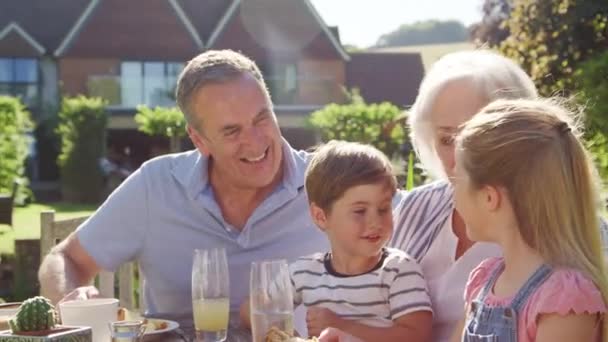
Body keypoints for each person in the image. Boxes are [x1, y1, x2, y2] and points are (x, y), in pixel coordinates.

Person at [37, 50, 329, 337]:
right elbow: (65, 259)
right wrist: (72, 299)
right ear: (199, 139)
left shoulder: (327, 184)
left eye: (261, 118)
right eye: (231, 131)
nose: (254, 142)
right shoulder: (156, 186)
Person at [388, 50, 539, 342]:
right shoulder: (414, 207)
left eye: (475, 136)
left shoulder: (560, 220)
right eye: (447, 139)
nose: (460, 156)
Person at [241, 140, 432, 341]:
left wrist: (342, 326)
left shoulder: (398, 270)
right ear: (321, 217)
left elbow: (418, 336)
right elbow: (250, 310)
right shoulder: (304, 272)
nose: (376, 222)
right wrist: (291, 338)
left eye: (383, 209)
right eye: (360, 211)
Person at [451, 98, 608, 341]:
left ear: (490, 198)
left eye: (456, 181)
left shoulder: (564, 300)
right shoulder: (484, 279)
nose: (453, 195)